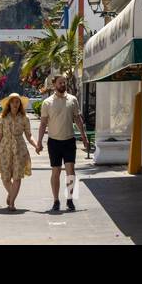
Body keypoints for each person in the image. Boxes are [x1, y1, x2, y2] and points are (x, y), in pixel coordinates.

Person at [35, 73, 89, 212]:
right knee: (56, 171)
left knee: (71, 171)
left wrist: (84, 137)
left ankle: (70, 199)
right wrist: (39, 142)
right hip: (54, 142)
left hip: (69, 140)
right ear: (54, 85)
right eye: (60, 83)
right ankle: (56, 200)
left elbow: (78, 119)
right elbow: (42, 124)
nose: (63, 85)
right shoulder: (47, 103)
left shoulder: (73, 100)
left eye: (64, 82)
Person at [0, 93, 38, 210]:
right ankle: (11, 194)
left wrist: (36, 145)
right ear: (9, 103)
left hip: (19, 149)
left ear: (20, 104)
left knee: (17, 177)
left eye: (18, 102)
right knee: (5, 177)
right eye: (13, 101)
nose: (15, 104)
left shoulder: (24, 118)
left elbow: (29, 135)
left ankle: (11, 203)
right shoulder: (2, 117)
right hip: (5, 148)